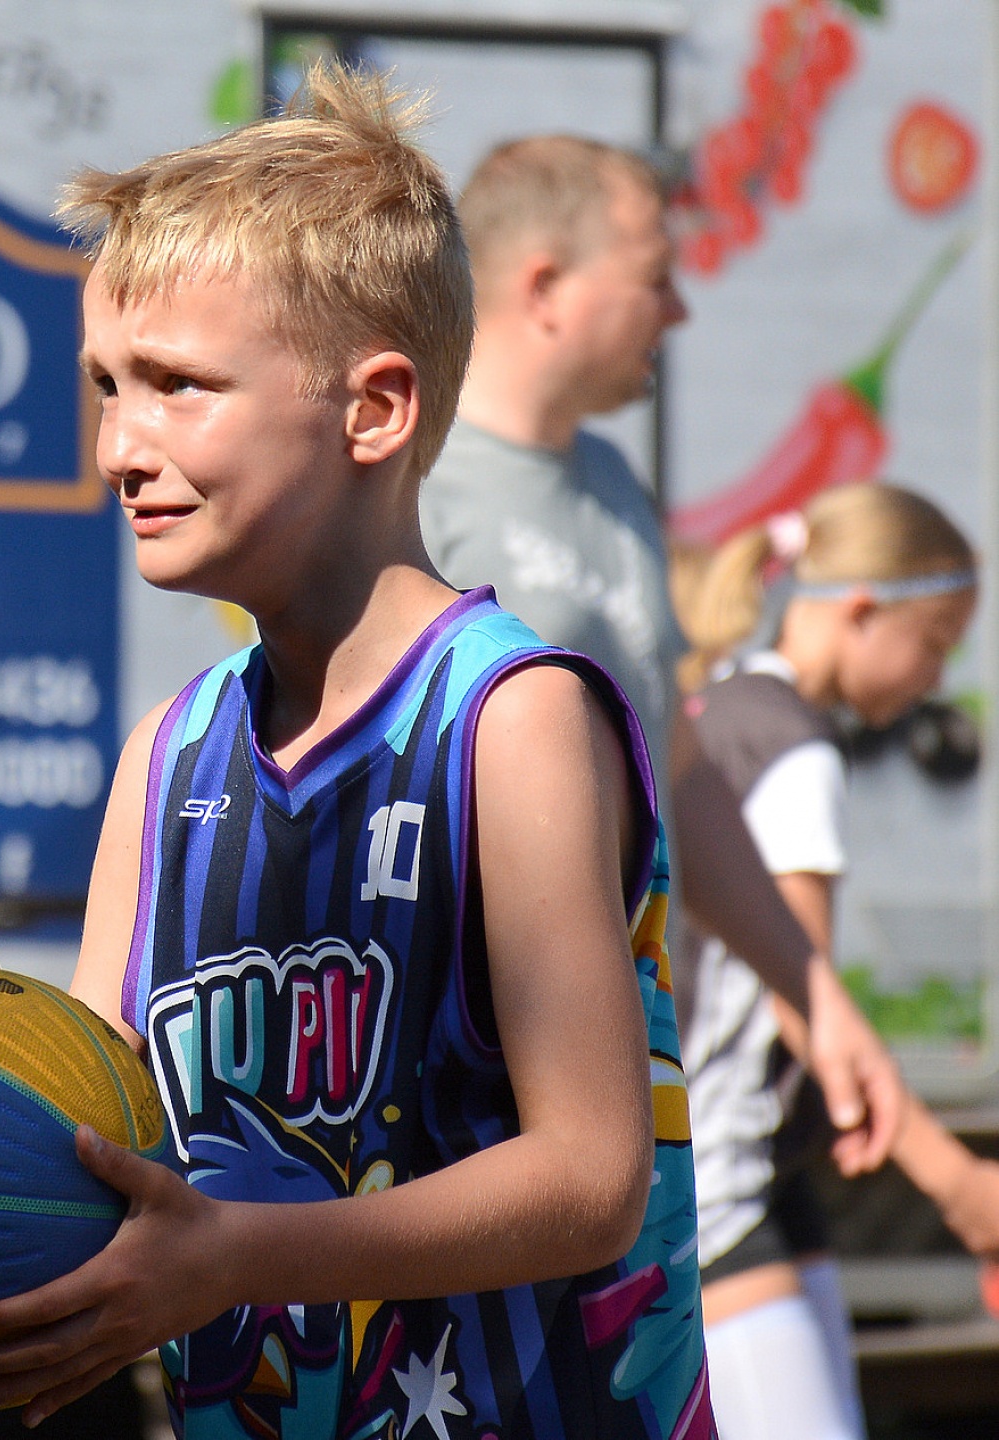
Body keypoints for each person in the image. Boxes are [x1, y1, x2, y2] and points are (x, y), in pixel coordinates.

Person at [0, 64, 711, 1438]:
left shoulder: (508, 719)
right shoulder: (165, 760)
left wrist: (236, 1257)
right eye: (106, 385)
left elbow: (592, 1178)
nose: (120, 444)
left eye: (178, 386)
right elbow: (100, 1139)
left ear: (374, 409)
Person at [416, 135, 904, 1182]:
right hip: (459, 1107)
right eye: (654, 278)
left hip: (626, 1082)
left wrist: (815, 997)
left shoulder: (609, 483)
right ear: (546, 287)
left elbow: (674, 767)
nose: (678, 312)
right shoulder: (415, 478)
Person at [676, 484, 994, 1439]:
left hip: (755, 1166)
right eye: (933, 642)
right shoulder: (796, 746)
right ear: (860, 609)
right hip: (719, 1179)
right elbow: (807, 1001)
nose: (933, 676)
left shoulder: (726, 700)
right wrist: (958, 1185)